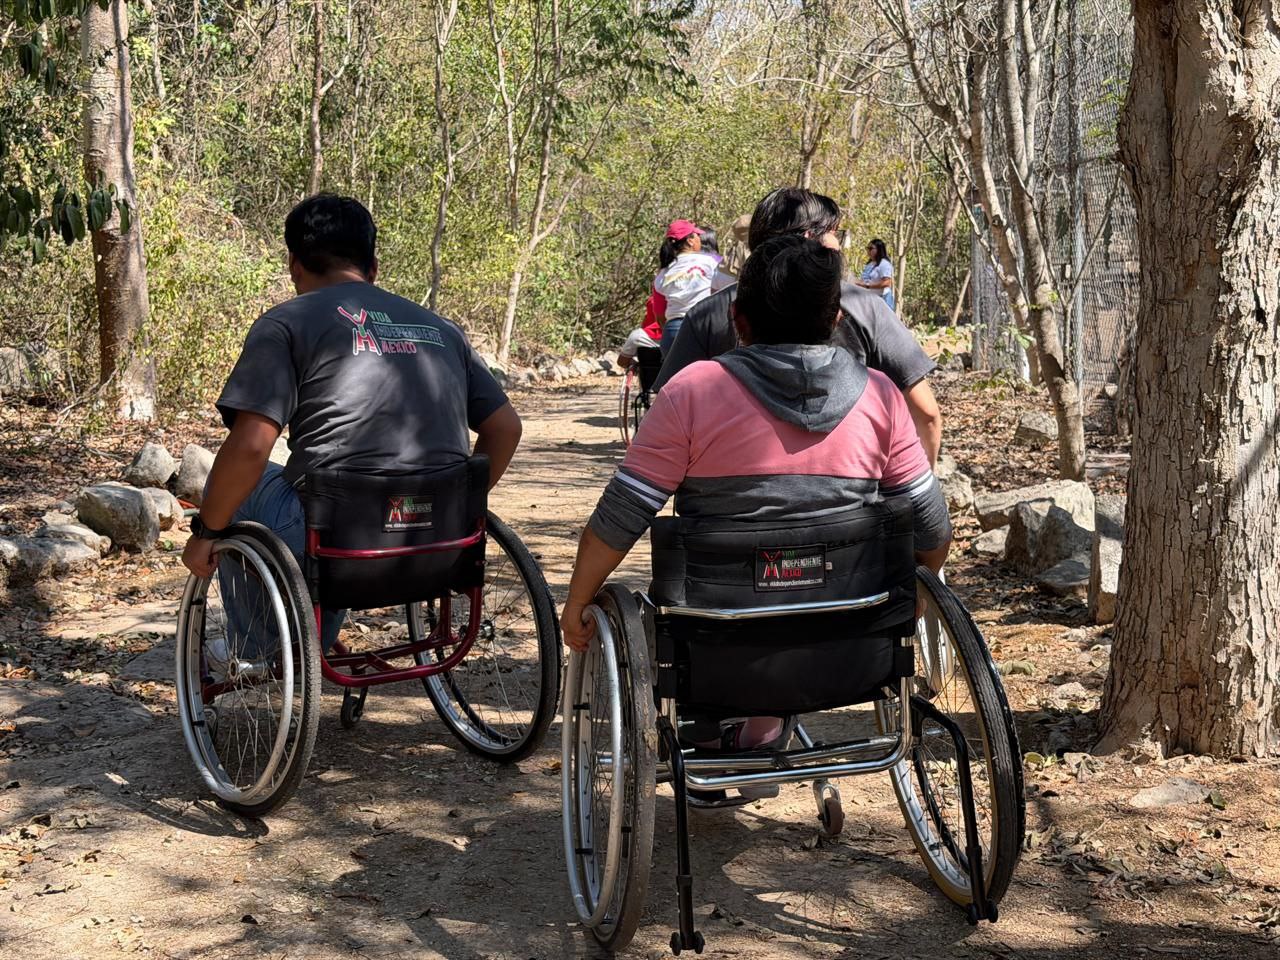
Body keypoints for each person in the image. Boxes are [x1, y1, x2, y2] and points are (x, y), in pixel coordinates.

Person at [560, 236, 950, 790]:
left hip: (716, 655)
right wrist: (915, 592)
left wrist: (578, 601)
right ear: (836, 319)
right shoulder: (882, 397)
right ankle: (766, 731)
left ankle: (733, 733)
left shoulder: (690, 393)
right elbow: (932, 530)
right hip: (852, 652)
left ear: (737, 320)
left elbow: (622, 516)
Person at [182, 194, 522, 651]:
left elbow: (251, 446)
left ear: (294, 265)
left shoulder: (285, 324)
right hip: (440, 536)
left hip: (338, 540)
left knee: (237, 484)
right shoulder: (441, 329)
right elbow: (506, 429)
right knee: (325, 497)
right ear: (373, 268)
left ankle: (261, 652)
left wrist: (206, 533)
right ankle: (305, 635)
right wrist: (453, 507)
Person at [653, 188, 942, 466]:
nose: (838, 244)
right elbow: (926, 414)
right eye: (834, 233)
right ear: (809, 239)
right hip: (854, 492)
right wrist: (915, 486)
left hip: (727, 491)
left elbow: (667, 418)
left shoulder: (708, 313)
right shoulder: (864, 307)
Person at [655, 219, 721, 355]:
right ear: (690, 241)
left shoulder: (664, 271)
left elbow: (660, 315)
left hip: (672, 331)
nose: (700, 239)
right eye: (697, 235)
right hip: (701, 327)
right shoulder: (710, 262)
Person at [856, 238, 896, 310]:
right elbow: (865, 279)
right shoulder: (869, 264)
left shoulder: (884, 264)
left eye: (871, 248)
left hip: (883, 299)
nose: (868, 250)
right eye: (867, 248)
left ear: (879, 249)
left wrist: (867, 286)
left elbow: (887, 283)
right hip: (870, 299)